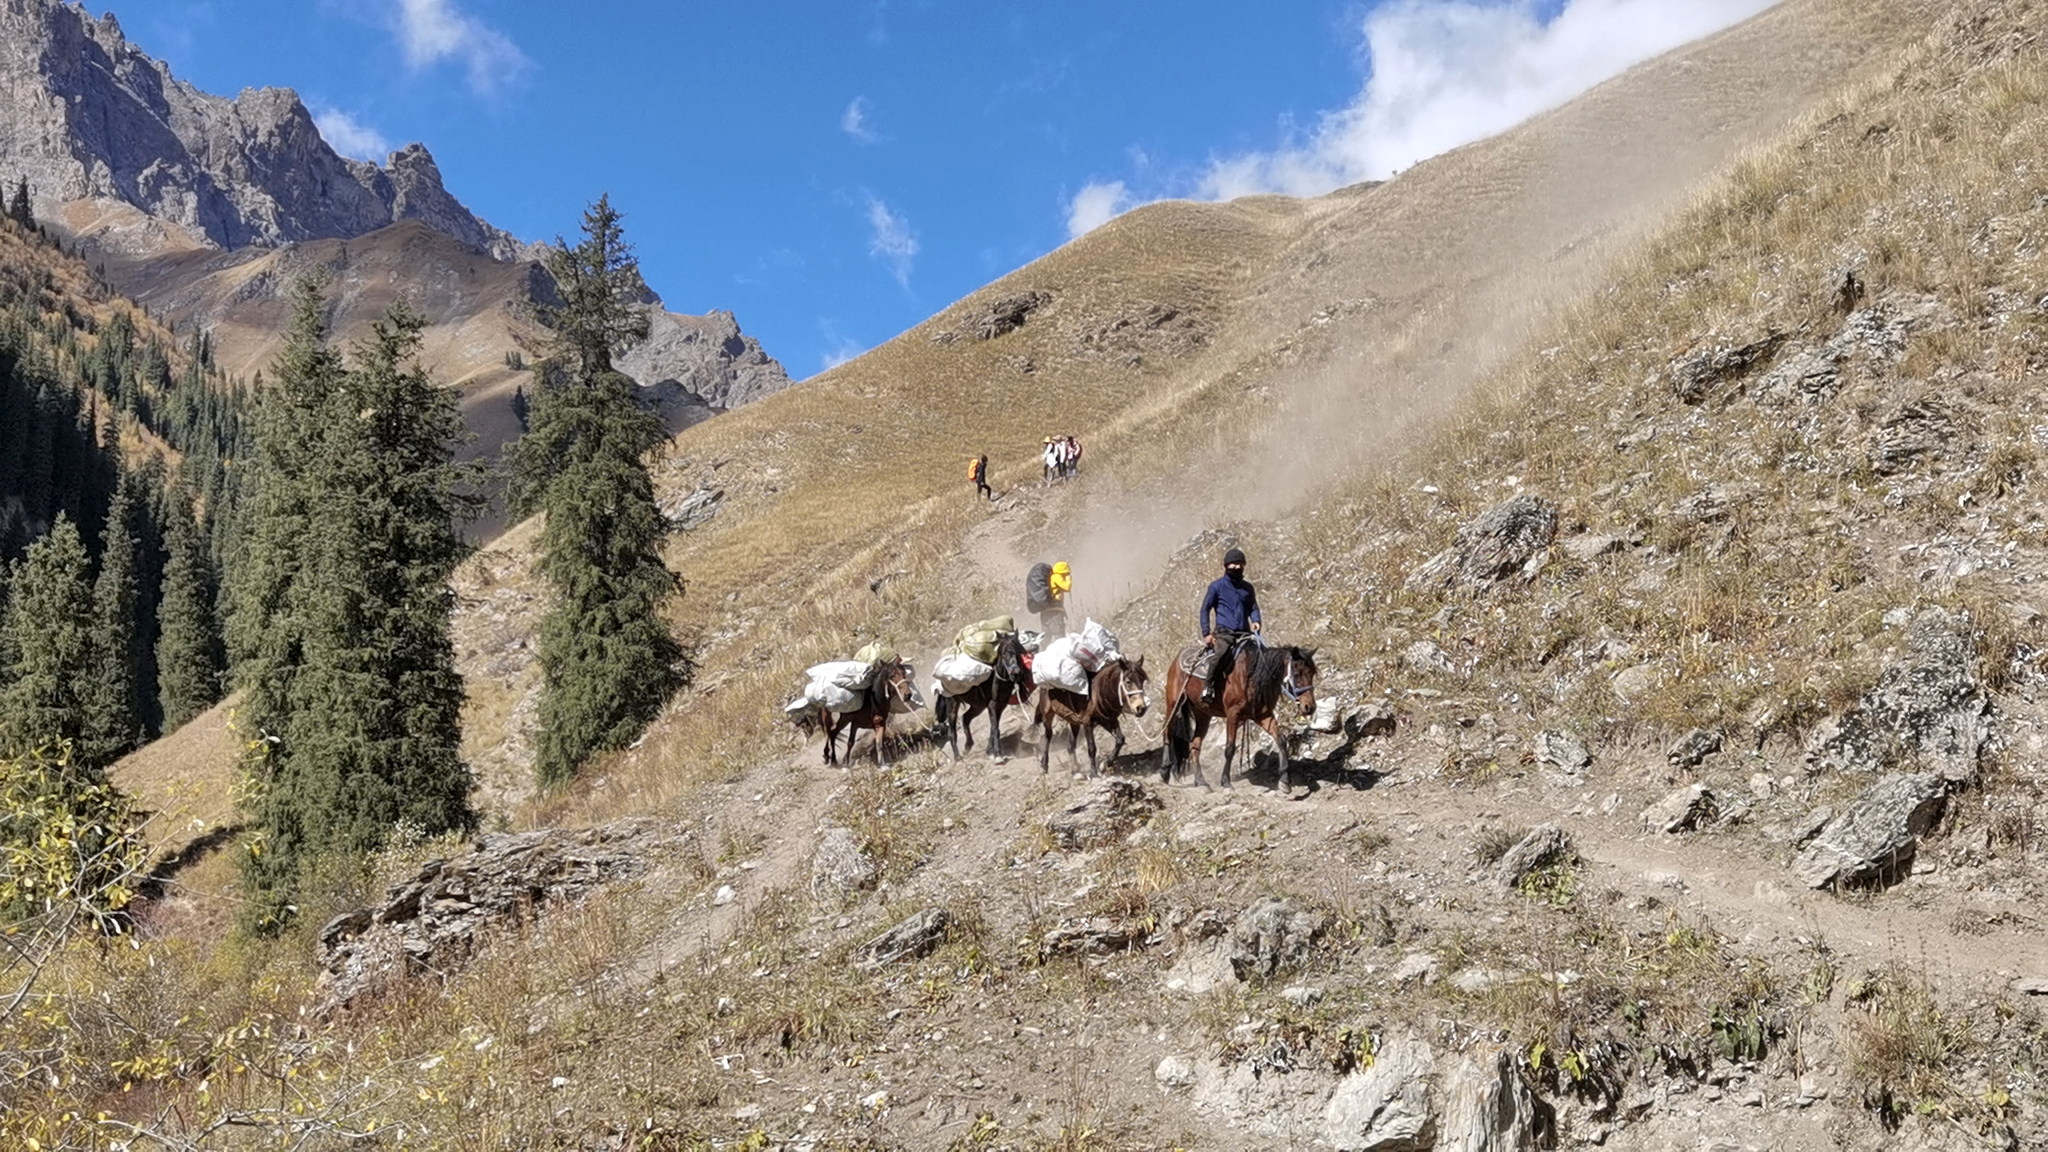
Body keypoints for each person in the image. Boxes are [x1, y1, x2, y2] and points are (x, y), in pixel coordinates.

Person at [1198, 547, 1260, 708]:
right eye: (1234, 564)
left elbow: (1253, 607)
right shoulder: (1216, 587)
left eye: (1240, 564)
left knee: (1262, 655)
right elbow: (1205, 609)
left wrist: (1256, 621)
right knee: (1220, 655)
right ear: (1226, 566)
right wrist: (1206, 633)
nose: (1237, 567)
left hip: (1245, 634)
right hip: (1225, 634)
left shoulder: (1247, 588)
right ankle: (1208, 687)